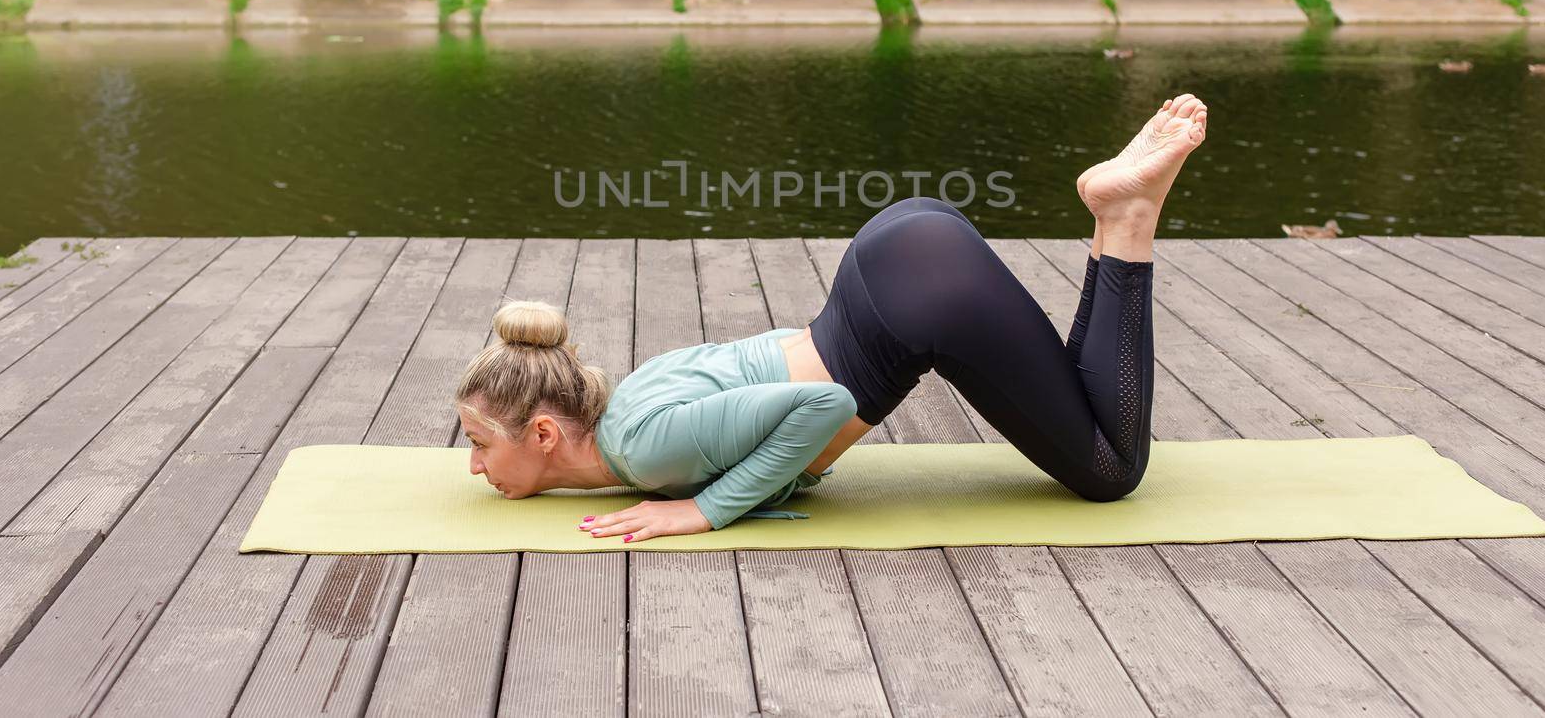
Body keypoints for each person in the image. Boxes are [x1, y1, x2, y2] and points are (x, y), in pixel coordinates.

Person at [454, 93, 1209, 542]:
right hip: (889, 262)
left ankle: (1129, 214)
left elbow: (827, 402)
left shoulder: (644, 450)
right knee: (1085, 416)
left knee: (1111, 471)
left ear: (545, 431)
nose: (474, 464)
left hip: (914, 299)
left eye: (481, 442)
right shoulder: (628, 400)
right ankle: (1119, 214)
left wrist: (706, 509)